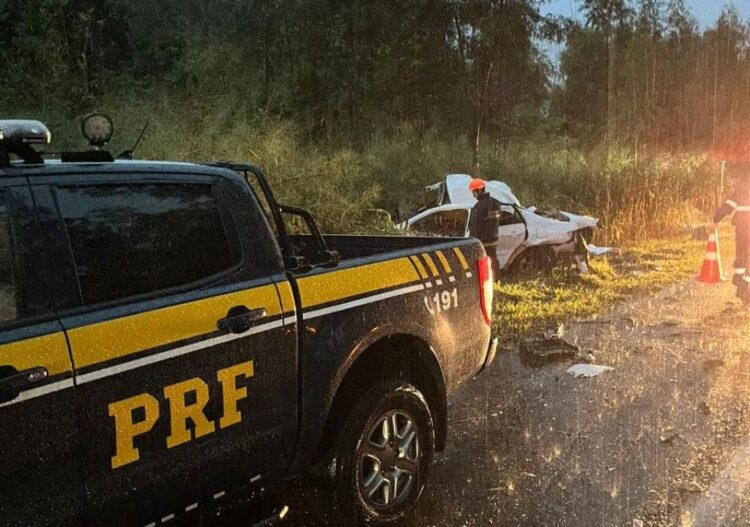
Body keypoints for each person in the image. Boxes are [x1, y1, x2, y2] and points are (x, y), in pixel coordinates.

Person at [709, 174, 750, 303]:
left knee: (742, 254)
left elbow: (728, 206)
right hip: (744, 227)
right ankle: (744, 285)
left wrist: (716, 220)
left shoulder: (741, 190)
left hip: (742, 228)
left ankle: (740, 283)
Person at [468, 178, 502, 277]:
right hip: (494, 239)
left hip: (483, 241)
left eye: (473, 192)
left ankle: (486, 280)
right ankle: (496, 279)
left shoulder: (478, 207)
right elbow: (500, 218)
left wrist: (471, 241)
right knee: (493, 259)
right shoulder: (496, 203)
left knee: (482, 263)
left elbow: (474, 227)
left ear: (478, 191)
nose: (473, 195)